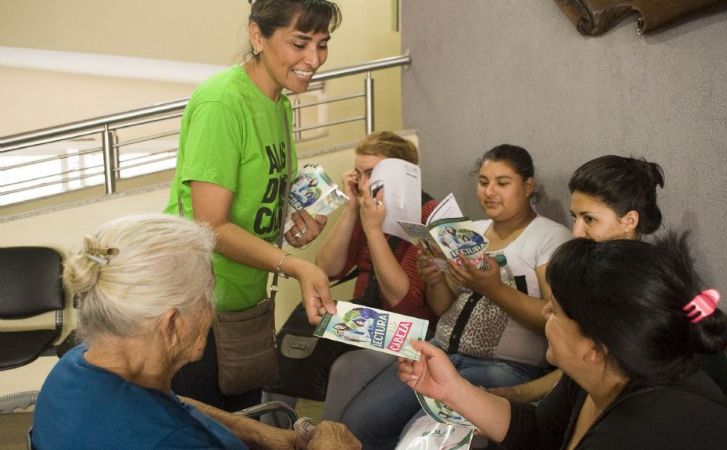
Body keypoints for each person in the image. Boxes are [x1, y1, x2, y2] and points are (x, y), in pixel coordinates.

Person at [31, 214, 361, 450]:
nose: (213, 309)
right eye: (208, 293)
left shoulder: (76, 366)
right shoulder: (172, 440)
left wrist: (256, 432)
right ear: (171, 324)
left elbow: (170, 402)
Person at [398, 234, 727, 450]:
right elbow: (540, 433)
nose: (543, 316)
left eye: (554, 312)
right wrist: (453, 390)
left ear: (595, 348)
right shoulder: (599, 374)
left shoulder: (644, 433)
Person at [163, 0, 342, 411]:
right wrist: (296, 264)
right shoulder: (222, 102)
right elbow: (210, 226)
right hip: (194, 304)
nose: (313, 60)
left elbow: (253, 209)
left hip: (241, 308)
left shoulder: (278, 104)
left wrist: (287, 227)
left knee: (240, 423)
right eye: (299, 43)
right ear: (257, 36)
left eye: (322, 45)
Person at [339, 144, 572, 449]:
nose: (490, 192)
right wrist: (435, 280)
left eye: (502, 183)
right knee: (359, 423)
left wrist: (493, 288)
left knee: (419, 439)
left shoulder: (549, 236)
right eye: (483, 182)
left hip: (505, 365)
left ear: (528, 186)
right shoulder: (469, 231)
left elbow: (554, 320)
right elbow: (444, 307)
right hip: (440, 350)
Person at [492, 154, 666, 403]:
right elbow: (574, 371)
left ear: (630, 220)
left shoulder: (644, 289)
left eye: (589, 219)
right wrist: (517, 394)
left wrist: (520, 394)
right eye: (575, 217)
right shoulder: (592, 276)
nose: (576, 232)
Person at [317, 131, 438, 421]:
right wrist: (350, 209)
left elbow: (405, 302)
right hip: (368, 319)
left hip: (410, 329)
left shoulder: (428, 214)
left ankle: (327, 439)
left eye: (372, 173)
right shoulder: (366, 207)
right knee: (288, 349)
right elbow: (328, 268)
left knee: (346, 370)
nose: (363, 183)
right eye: (359, 174)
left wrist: (373, 230)